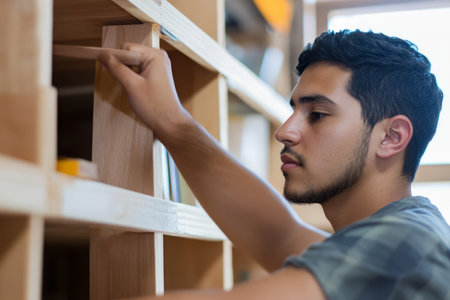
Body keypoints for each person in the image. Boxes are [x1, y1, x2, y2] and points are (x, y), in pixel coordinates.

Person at [100, 30, 450, 299]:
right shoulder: (409, 233)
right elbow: (277, 235)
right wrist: (174, 124)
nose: (285, 131)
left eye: (317, 114)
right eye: (293, 110)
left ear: (392, 137)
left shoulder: (408, 243)